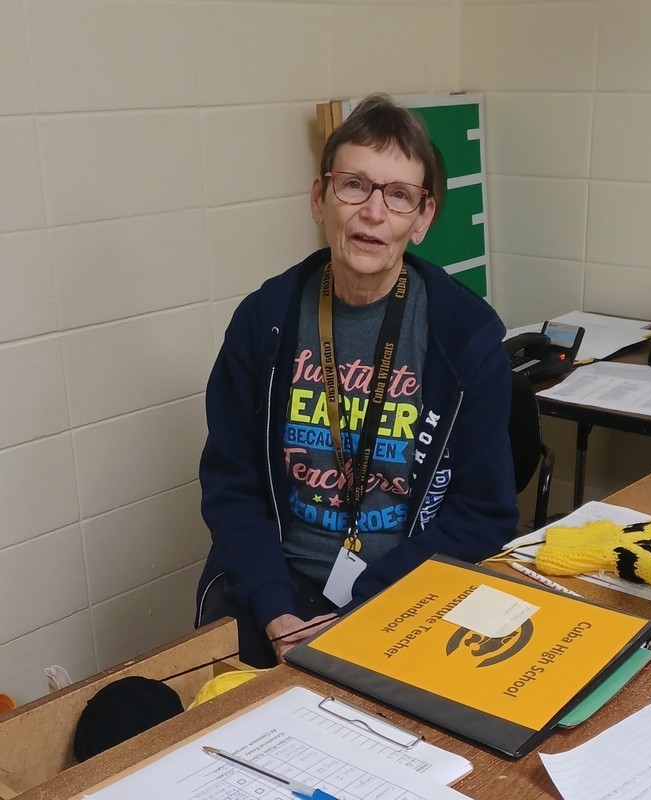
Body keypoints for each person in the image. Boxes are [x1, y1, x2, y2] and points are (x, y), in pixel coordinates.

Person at [196, 93, 518, 667]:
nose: (373, 212)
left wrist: (368, 607)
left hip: (405, 591)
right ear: (318, 199)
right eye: (354, 186)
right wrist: (275, 611)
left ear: (423, 219)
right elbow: (232, 487)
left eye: (399, 195)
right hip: (277, 588)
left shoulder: (466, 338)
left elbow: (482, 514)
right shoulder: (263, 322)